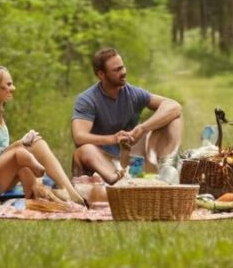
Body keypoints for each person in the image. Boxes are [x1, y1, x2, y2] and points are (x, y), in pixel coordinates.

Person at [0, 65, 84, 204]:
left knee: (34, 144)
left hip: (1, 180)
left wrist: (22, 145)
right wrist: (20, 144)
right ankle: (64, 193)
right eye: (8, 85)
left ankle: (58, 194)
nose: (13, 88)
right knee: (23, 152)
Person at [71, 47, 183, 183]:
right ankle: (117, 180)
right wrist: (113, 138)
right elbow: (79, 137)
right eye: (116, 70)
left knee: (173, 117)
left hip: (131, 157)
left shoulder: (132, 93)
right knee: (84, 149)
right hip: (104, 160)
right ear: (101, 74)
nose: (123, 72)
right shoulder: (87, 99)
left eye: (122, 67)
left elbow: (174, 106)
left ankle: (167, 168)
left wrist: (143, 128)